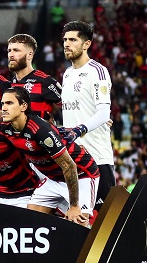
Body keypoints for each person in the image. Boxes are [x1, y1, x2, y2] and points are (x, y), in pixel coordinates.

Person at [0, 87, 99, 226]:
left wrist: (74, 205)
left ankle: (89, 219)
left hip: (80, 174)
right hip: (53, 179)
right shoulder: (5, 125)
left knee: (78, 225)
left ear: (23, 106)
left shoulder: (40, 130)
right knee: (31, 223)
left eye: (9, 103)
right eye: (2, 103)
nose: (4, 107)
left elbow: (69, 166)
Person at [59, 20, 115, 212]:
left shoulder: (97, 71)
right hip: (73, 159)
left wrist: (79, 129)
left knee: (105, 221)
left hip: (97, 157)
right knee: (75, 219)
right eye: (65, 39)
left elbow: (103, 112)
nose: (67, 44)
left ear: (86, 44)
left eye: (73, 40)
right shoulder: (66, 74)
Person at [6, 34, 62, 123]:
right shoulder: (9, 84)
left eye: (16, 50)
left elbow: (69, 106)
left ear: (29, 55)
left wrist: (51, 127)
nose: (11, 55)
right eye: (9, 50)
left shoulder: (45, 81)